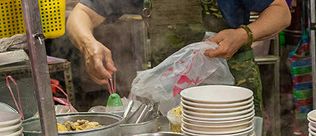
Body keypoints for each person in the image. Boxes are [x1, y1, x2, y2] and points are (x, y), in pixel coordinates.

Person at [67, 0, 291, 113]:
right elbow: (81, 13)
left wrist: (244, 34)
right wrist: (89, 46)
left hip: (230, 91)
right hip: (169, 91)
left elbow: (280, 10)